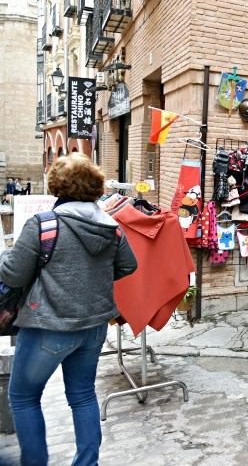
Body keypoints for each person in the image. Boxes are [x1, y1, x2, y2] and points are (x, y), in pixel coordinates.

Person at [0, 153, 138, 465]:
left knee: (23, 397)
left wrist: (9, 255)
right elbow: (129, 265)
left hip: (49, 327)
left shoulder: (44, 224)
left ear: (58, 186)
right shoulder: (112, 227)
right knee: (83, 395)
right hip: (93, 328)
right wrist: (97, 275)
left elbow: (12, 274)